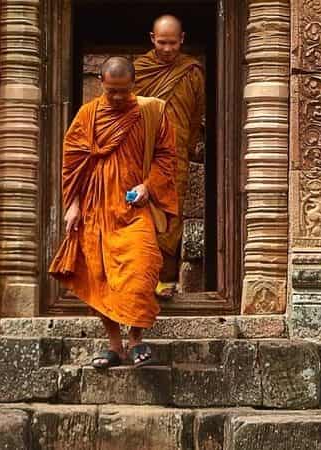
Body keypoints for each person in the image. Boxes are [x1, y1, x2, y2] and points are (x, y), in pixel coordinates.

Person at [49, 57, 178, 369]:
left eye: (123, 91)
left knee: (142, 270)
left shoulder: (152, 112)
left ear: (133, 84)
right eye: (112, 92)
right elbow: (73, 164)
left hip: (135, 209)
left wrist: (149, 186)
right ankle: (114, 345)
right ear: (100, 83)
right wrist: (74, 205)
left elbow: (167, 156)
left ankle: (136, 340)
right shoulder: (88, 115)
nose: (118, 97)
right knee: (101, 278)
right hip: (96, 209)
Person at [134, 14, 206, 300]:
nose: (167, 49)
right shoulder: (138, 70)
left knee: (170, 218)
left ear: (182, 39)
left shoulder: (192, 73)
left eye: (172, 43)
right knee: (139, 216)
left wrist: (185, 149)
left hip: (175, 158)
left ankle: (164, 280)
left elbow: (196, 114)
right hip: (141, 157)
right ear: (152, 39)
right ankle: (138, 279)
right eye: (162, 42)